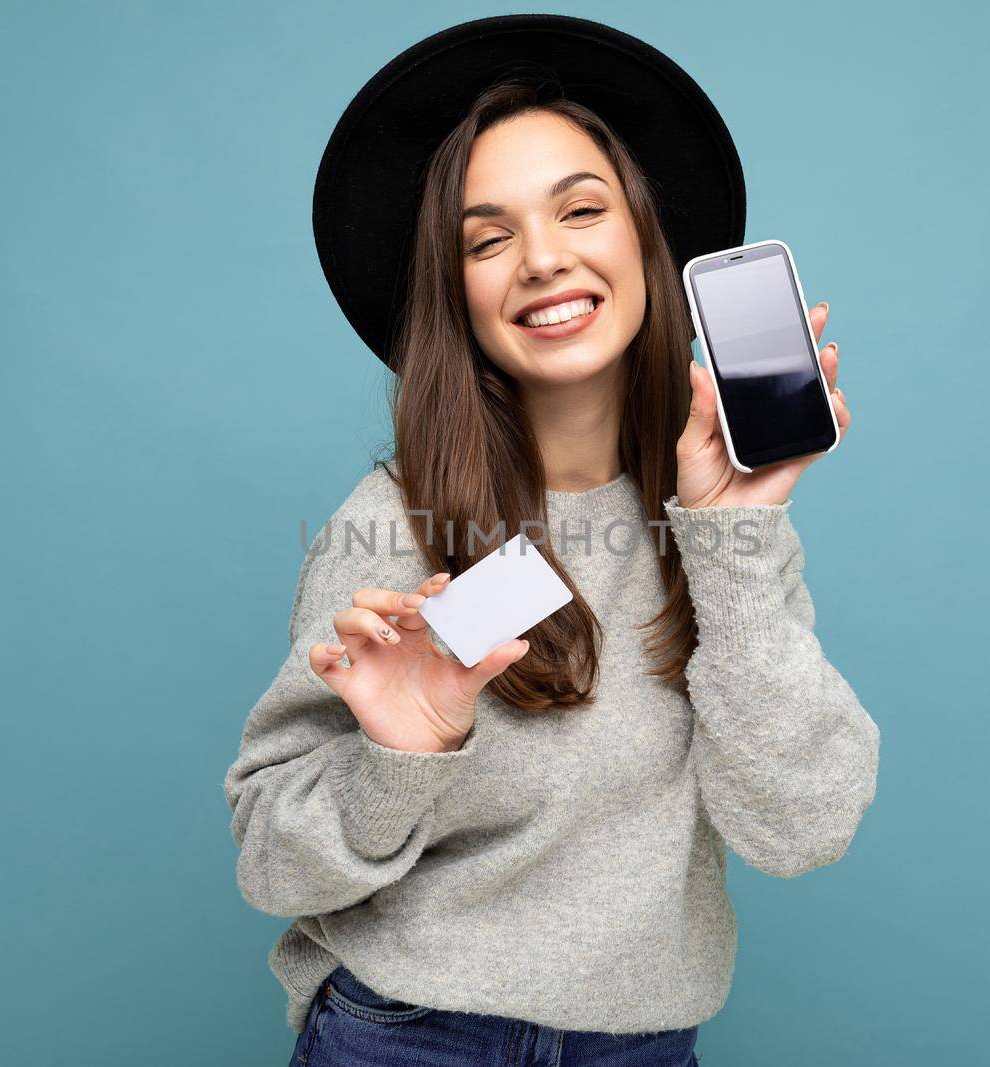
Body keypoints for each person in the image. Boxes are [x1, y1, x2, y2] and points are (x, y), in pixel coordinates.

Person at [223, 15, 880, 1065]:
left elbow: (801, 828)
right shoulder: (394, 524)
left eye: (581, 209)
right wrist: (401, 751)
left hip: (639, 1044)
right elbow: (271, 865)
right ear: (457, 293)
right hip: (407, 1038)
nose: (542, 258)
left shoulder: (713, 525)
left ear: (644, 240)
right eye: (487, 239)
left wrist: (735, 535)